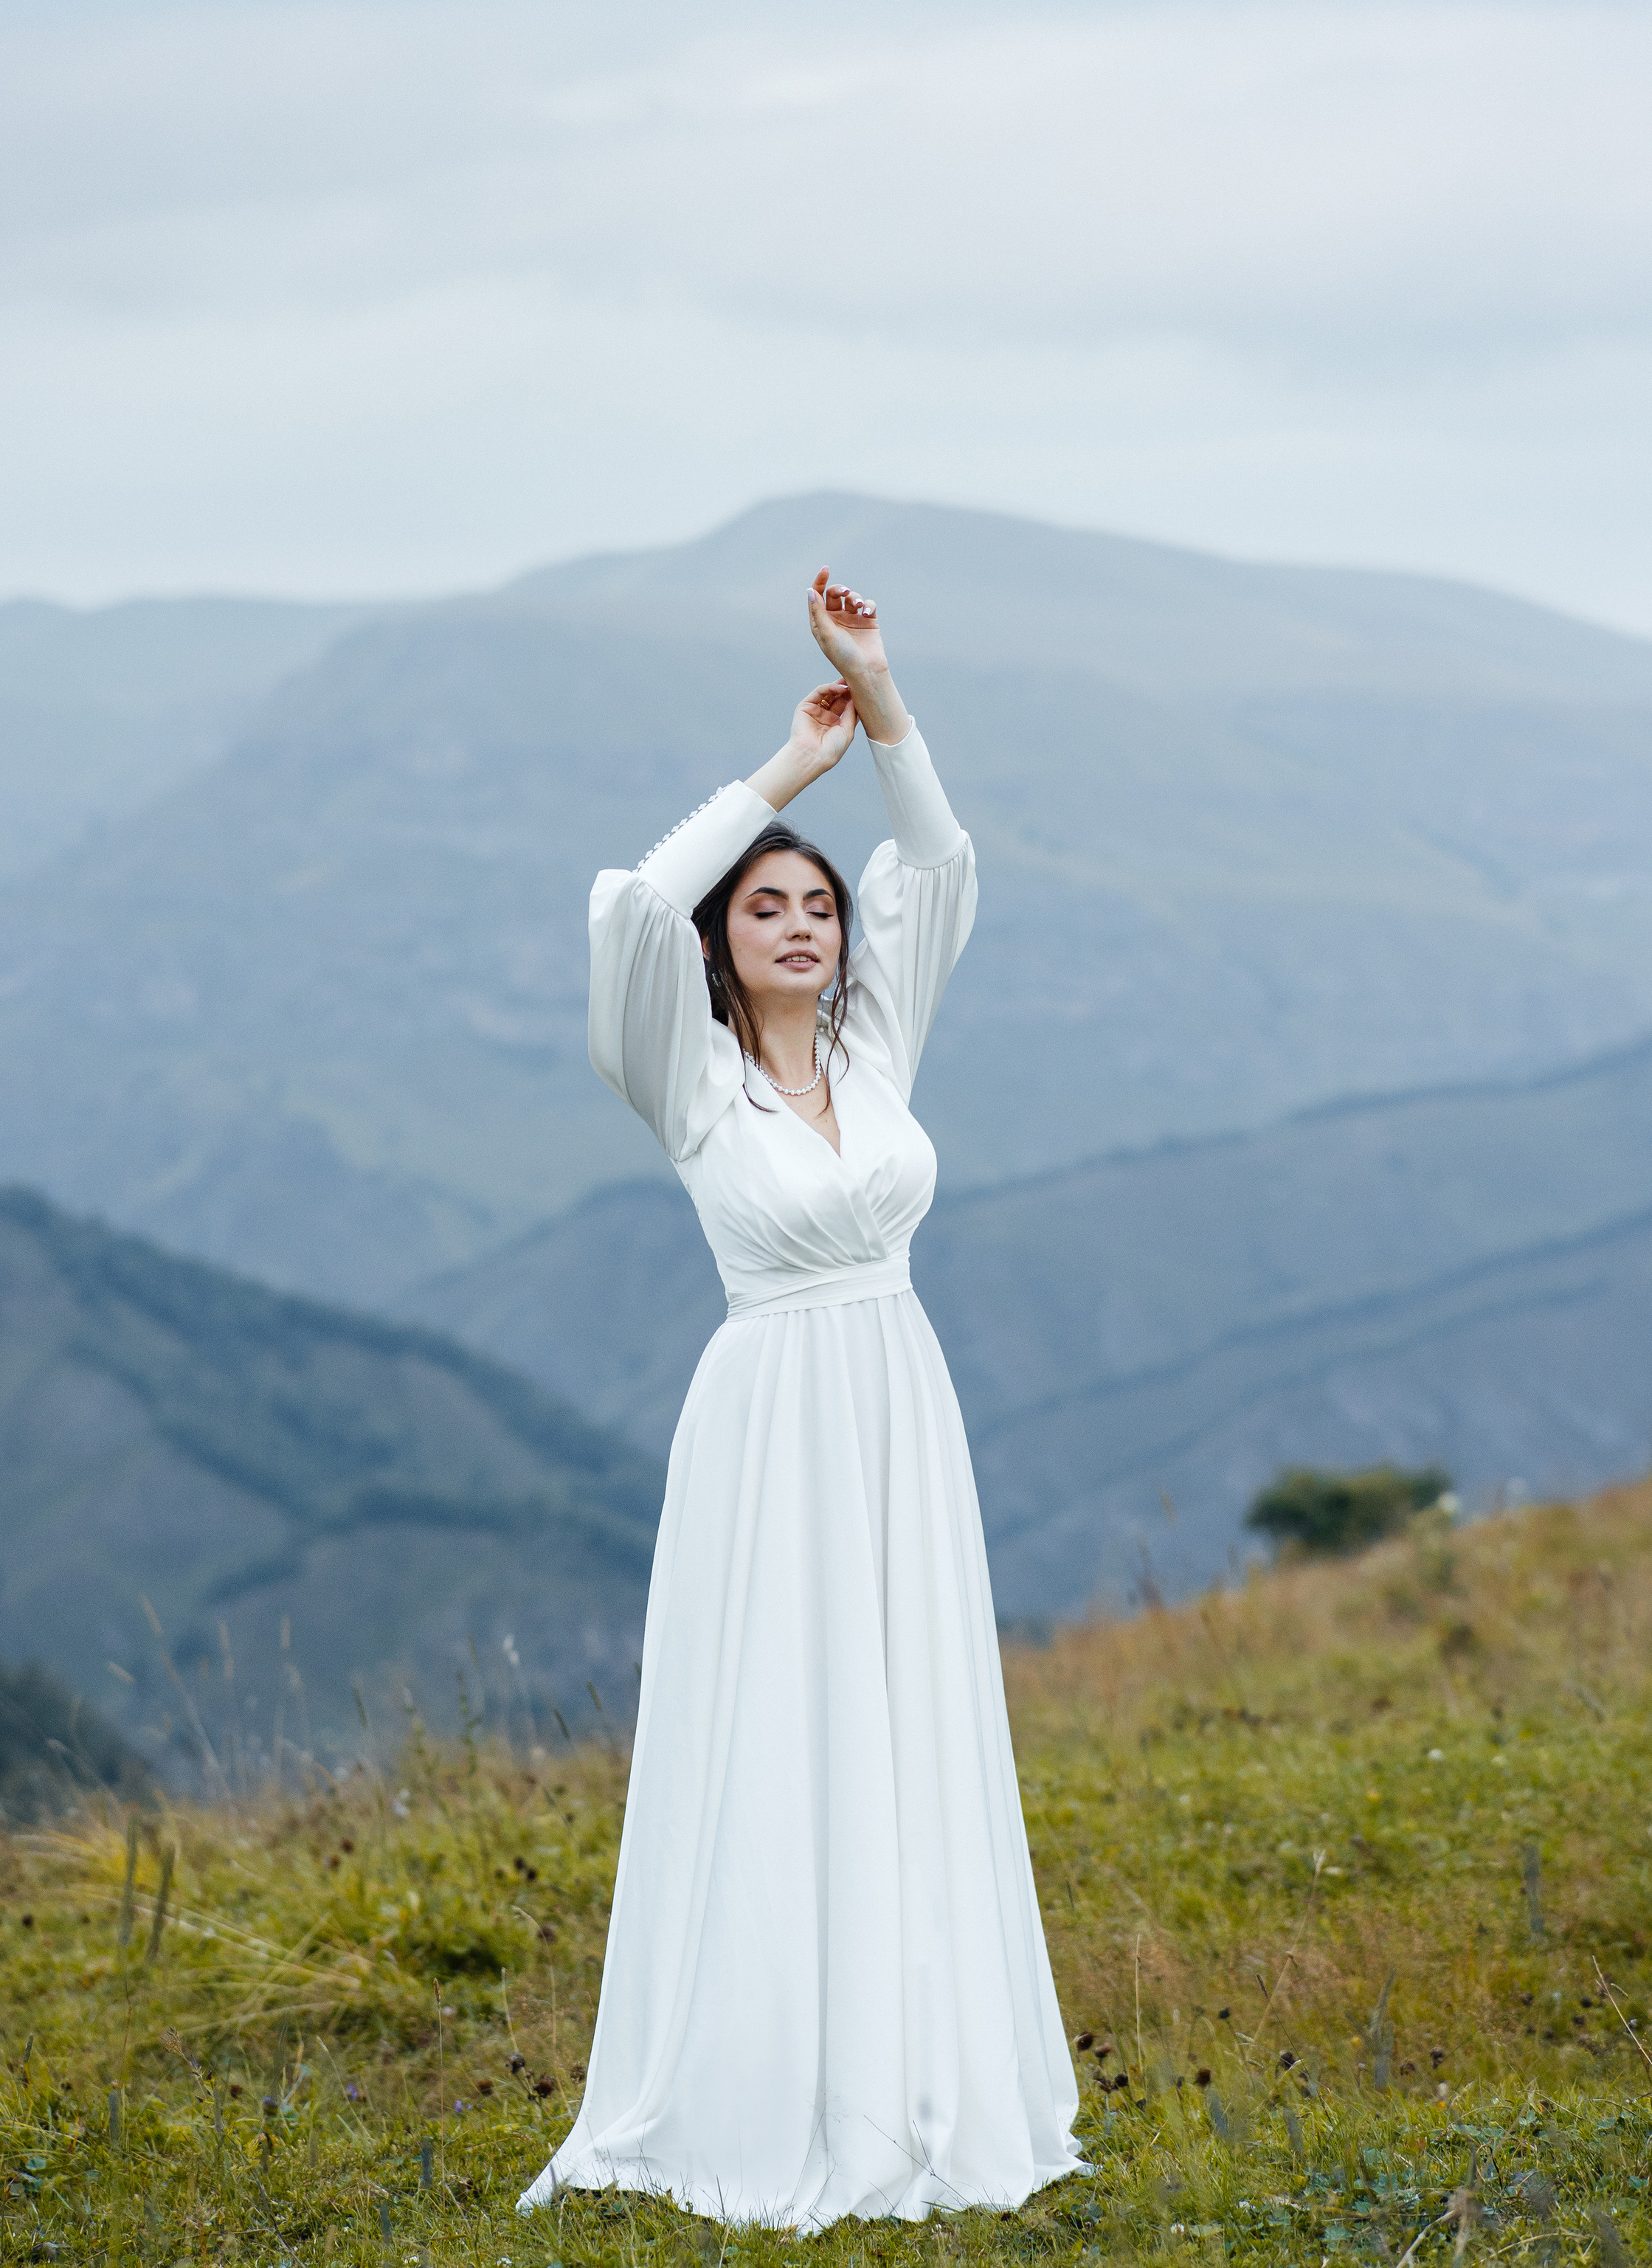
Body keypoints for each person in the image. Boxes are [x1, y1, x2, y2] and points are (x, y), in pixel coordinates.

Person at [519, 568, 1082, 2230]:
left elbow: (943, 865)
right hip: (767, 1423)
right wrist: (781, 775)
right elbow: (629, 907)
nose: (801, 923)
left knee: (903, 1712)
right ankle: (757, 2076)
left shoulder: (878, 1045)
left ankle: (918, 2060)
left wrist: (880, 695)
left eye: (815, 907)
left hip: (897, 1410)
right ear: (725, 941)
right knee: (775, 1716)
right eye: (766, 907)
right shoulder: (685, 1082)